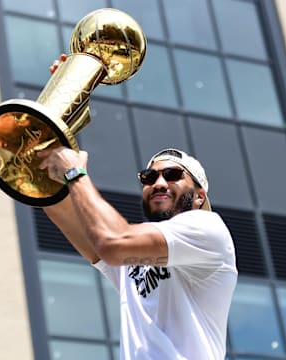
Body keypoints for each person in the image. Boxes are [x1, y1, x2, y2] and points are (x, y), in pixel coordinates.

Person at [40, 56, 237, 359]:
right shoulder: (136, 258)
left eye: (172, 175)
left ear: (199, 196)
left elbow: (111, 243)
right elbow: (58, 207)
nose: (158, 182)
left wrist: (75, 172)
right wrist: (55, 119)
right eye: (149, 176)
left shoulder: (208, 230)